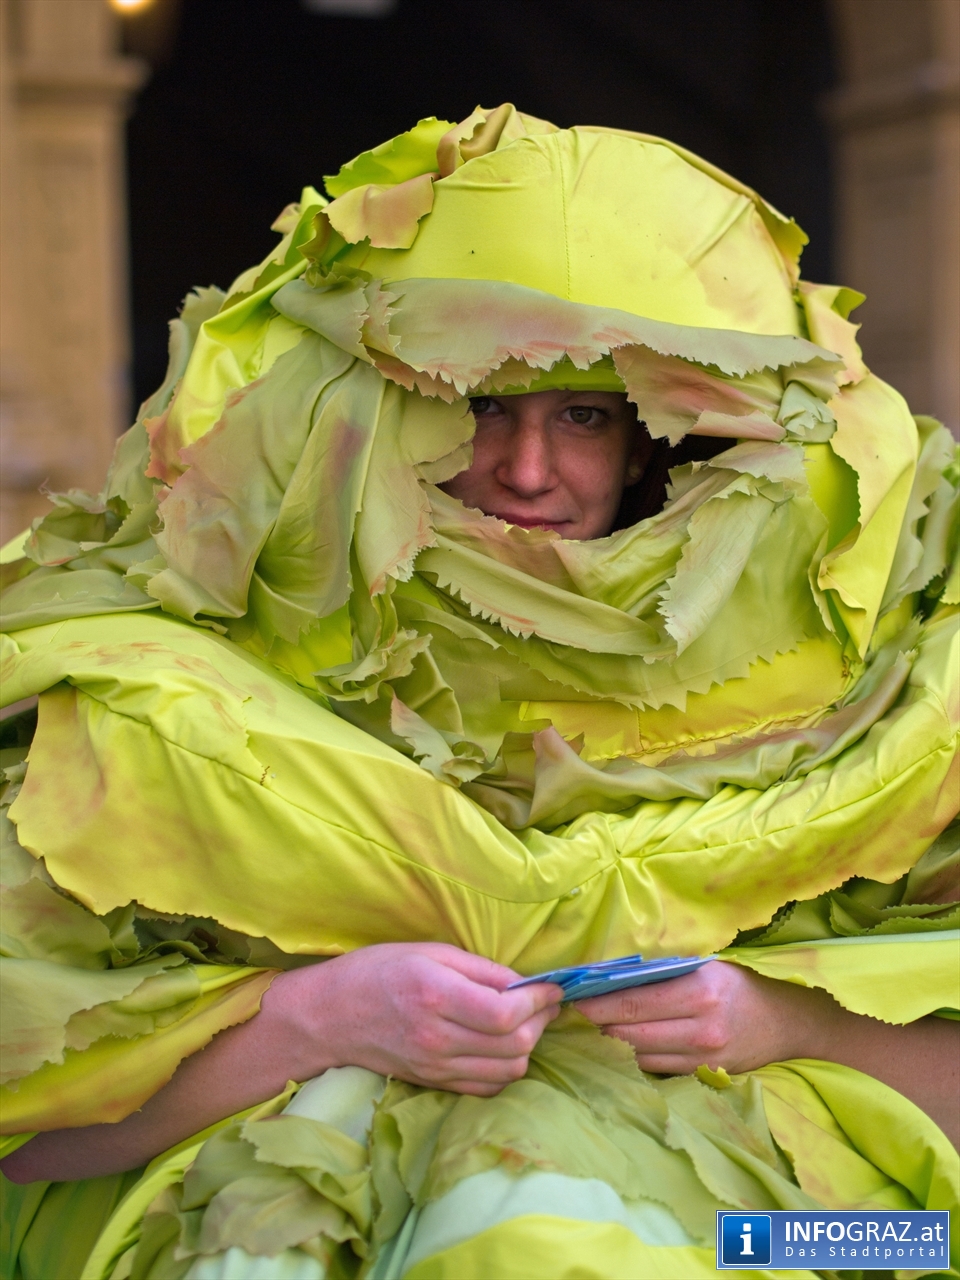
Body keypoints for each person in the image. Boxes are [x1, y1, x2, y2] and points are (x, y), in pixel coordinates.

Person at [0, 105, 957, 1280]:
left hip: (803, 1237)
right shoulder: (166, 676)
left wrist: (782, 1020)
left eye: (588, 414)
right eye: (473, 404)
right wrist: (320, 1020)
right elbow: (24, 1150)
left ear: (671, 441)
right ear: (359, 407)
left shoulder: (886, 679)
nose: (526, 469)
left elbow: (925, 1222)